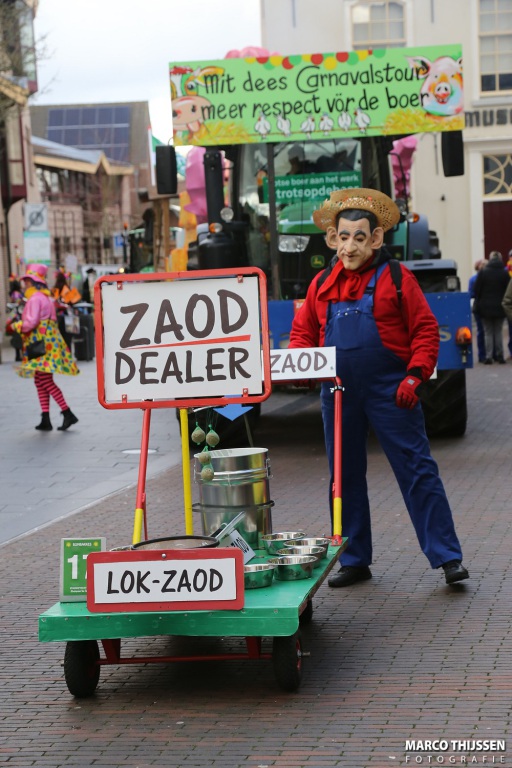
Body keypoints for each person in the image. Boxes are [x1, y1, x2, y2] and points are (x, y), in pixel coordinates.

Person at [289, 187, 469, 587]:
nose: (350, 247)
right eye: (343, 237)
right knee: (343, 476)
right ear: (332, 239)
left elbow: (425, 330)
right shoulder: (321, 284)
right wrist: (300, 364)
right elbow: (302, 334)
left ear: (375, 239)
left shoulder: (396, 278)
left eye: (359, 237)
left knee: (417, 470)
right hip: (338, 394)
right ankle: (354, 559)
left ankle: (447, 557)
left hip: (391, 391)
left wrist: (414, 376)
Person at [13, 264, 79, 431]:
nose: (25, 284)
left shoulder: (35, 298)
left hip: (40, 343)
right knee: (40, 379)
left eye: (28, 280)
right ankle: (46, 418)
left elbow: (31, 322)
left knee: (44, 380)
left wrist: (17, 326)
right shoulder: (45, 297)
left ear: (33, 282)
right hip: (47, 342)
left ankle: (67, 413)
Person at [473, 251, 510, 365]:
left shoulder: (483, 272)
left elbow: (476, 290)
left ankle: (488, 356)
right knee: (498, 331)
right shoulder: (504, 273)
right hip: (500, 307)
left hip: (485, 308)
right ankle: (500, 355)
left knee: (487, 332)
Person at [468, 259, 486, 363]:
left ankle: (483, 355)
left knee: (482, 331)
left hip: (479, 306)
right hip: (480, 307)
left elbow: (471, 293)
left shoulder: (473, 279)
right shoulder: (474, 279)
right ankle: (483, 354)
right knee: (483, 331)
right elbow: (471, 293)